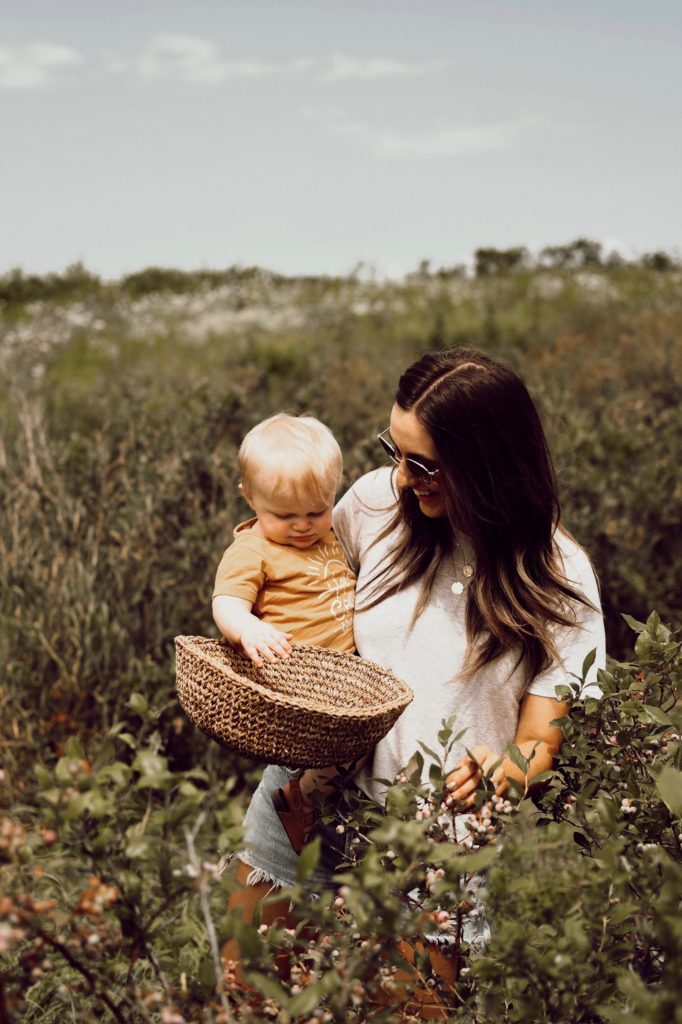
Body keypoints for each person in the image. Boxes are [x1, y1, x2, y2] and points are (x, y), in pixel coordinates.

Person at [223, 348, 605, 999]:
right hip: (306, 798)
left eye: (423, 463)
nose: (401, 477)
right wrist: (243, 619)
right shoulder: (375, 503)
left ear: (488, 464)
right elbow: (283, 564)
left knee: (408, 1010)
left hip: (437, 845)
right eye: (392, 450)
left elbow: (543, 735)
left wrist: (507, 769)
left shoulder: (557, 575)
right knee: (248, 997)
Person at [212, 413, 358, 854]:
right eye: (284, 514)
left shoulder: (329, 536)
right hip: (301, 677)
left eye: (317, 510)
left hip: (347, 674)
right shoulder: (253, 550)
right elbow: (226, 603)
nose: (302, 525)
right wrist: (248, 629)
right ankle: (302, 799)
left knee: (366, 744)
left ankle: (319, 804)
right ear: (249, 499)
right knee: (347, 747)